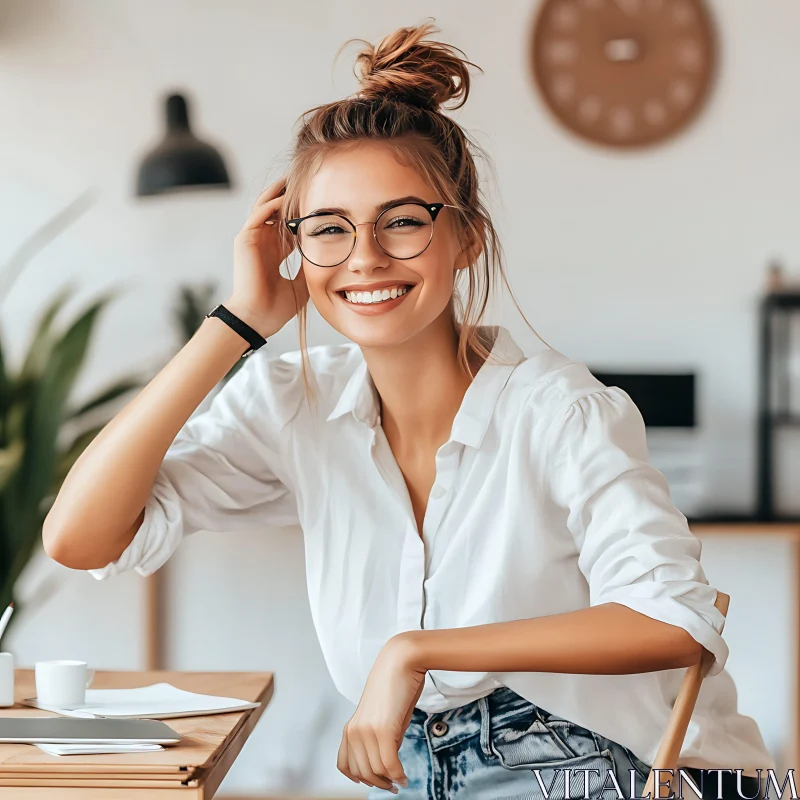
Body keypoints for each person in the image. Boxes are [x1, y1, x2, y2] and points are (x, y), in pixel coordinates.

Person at [43, 21, 773, 800]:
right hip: (432, 777)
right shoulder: (294, 403)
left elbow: (674, 620)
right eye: (329, 229)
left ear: (465, 237)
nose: (364, 257)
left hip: (629, 768)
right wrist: (235, 323)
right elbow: (79, 538)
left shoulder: (562, 412)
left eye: (401, 221)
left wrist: (415, 652)